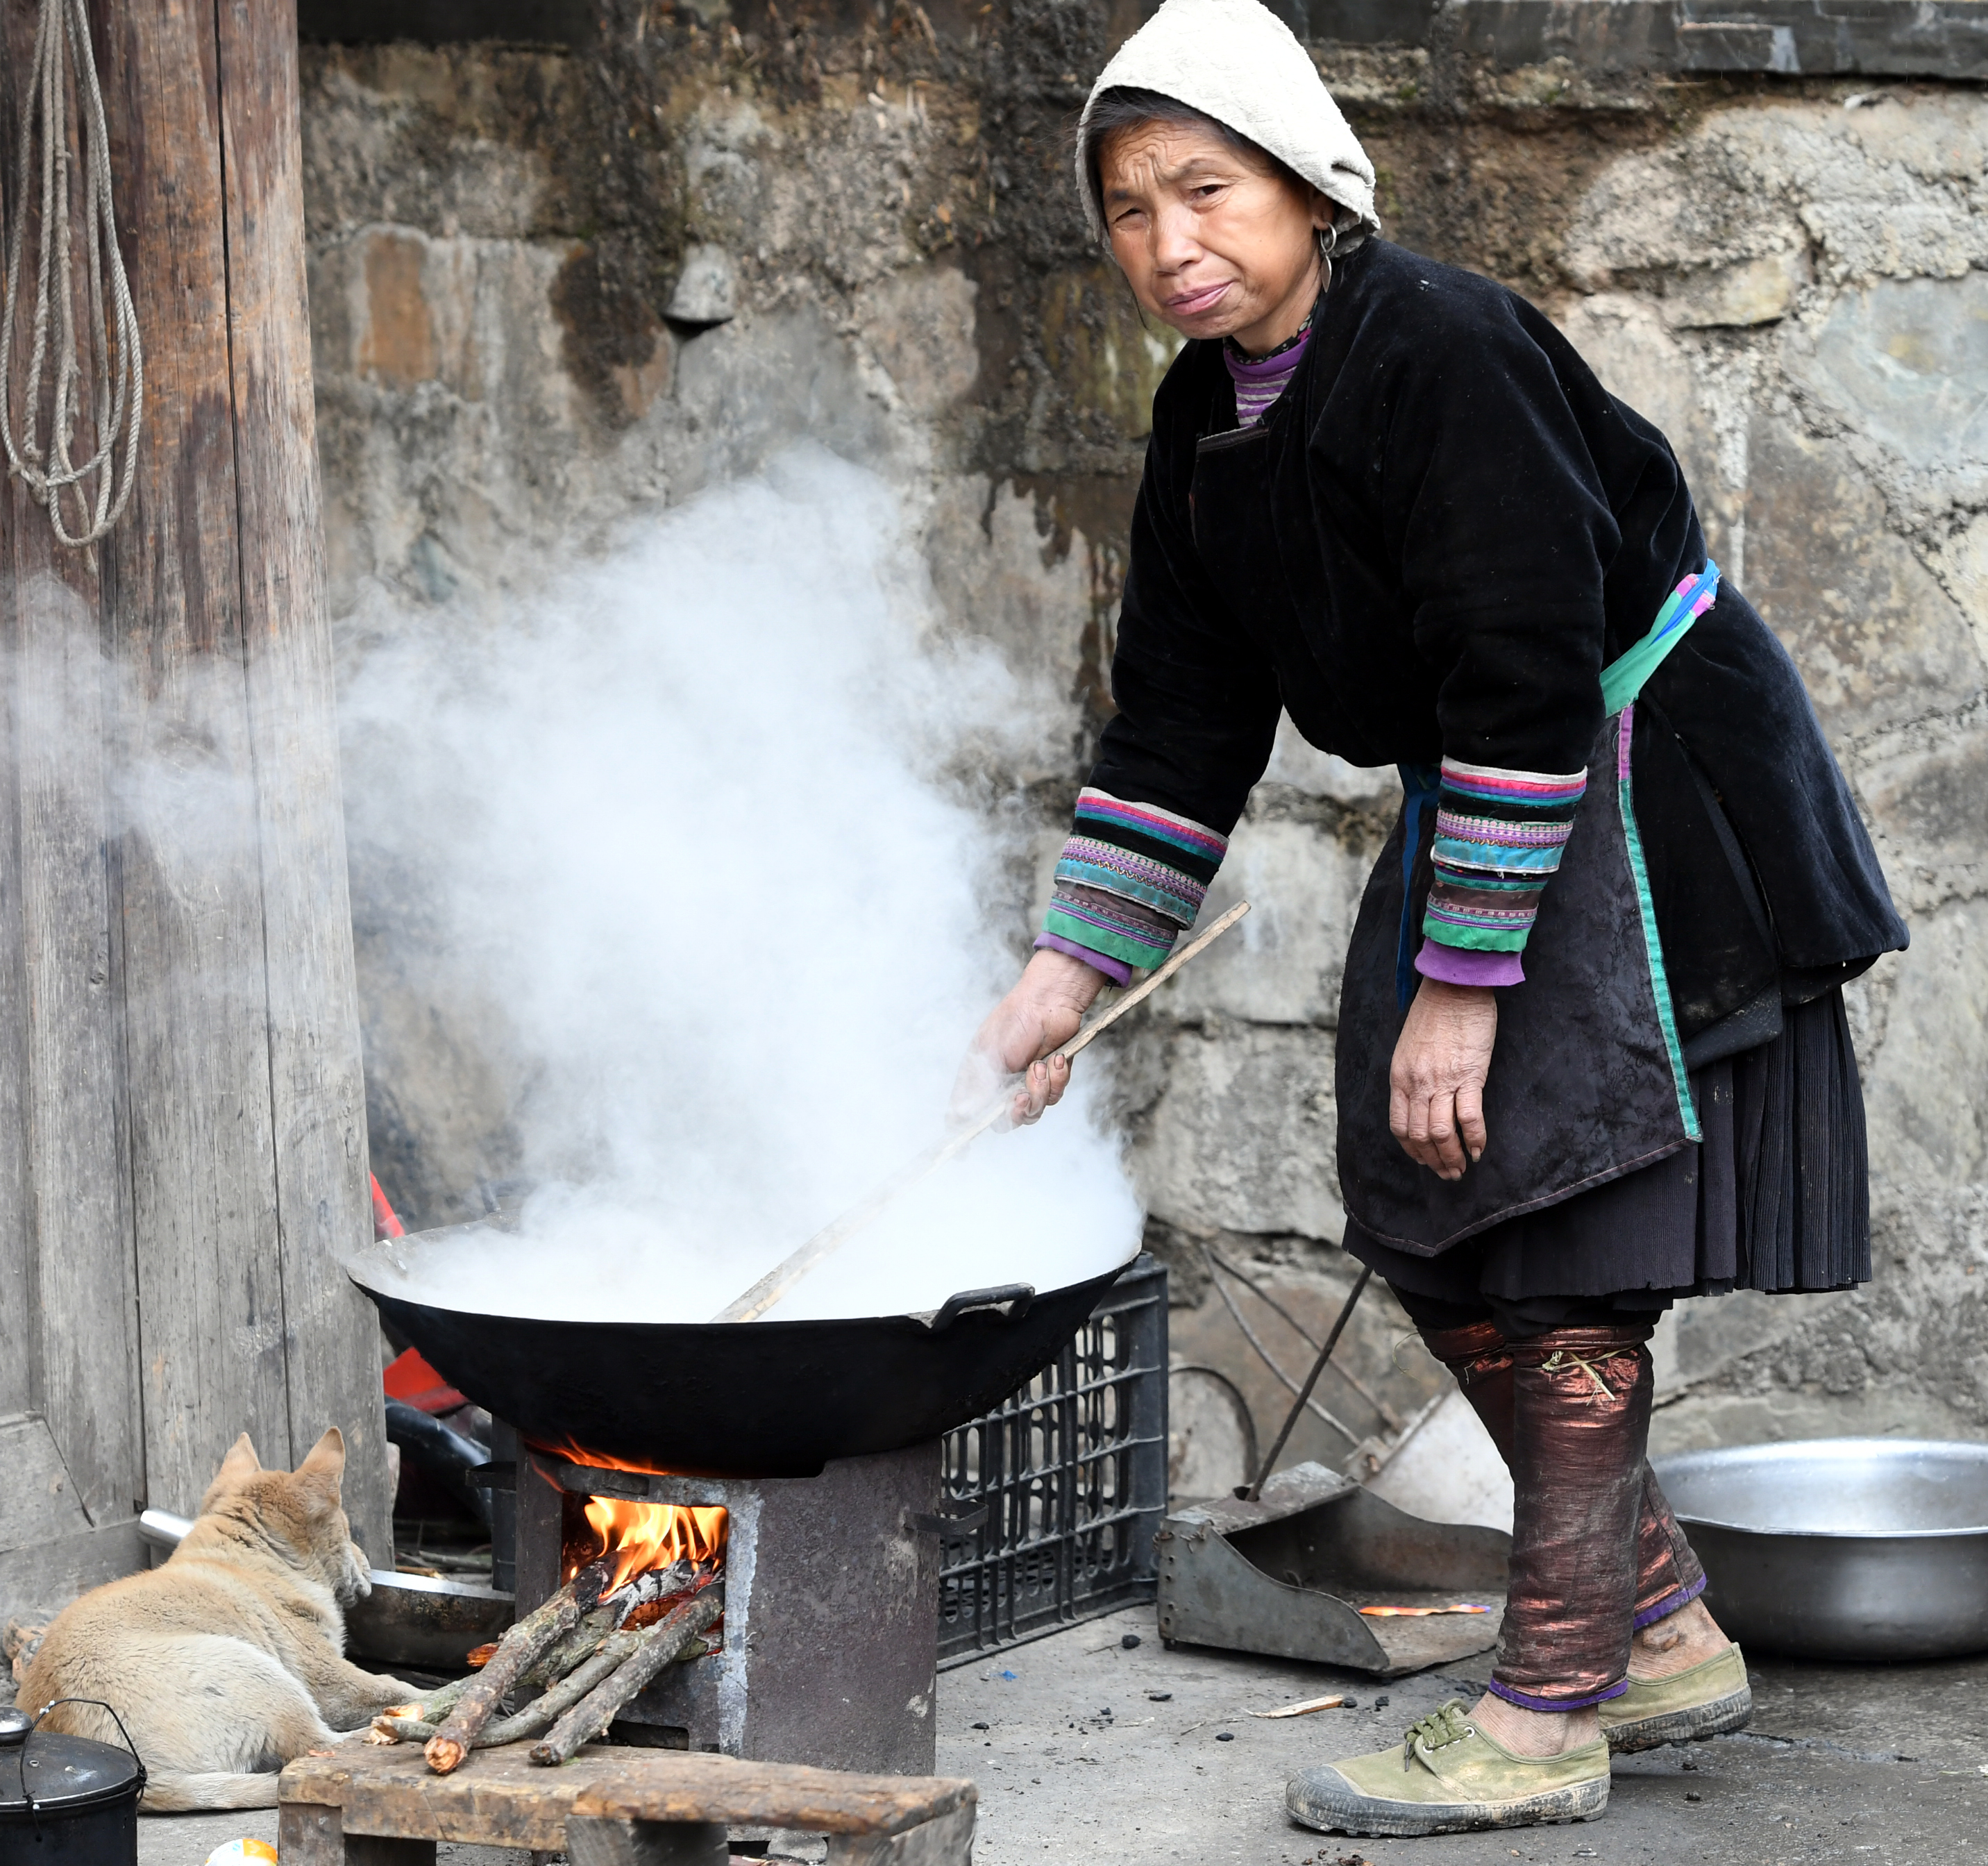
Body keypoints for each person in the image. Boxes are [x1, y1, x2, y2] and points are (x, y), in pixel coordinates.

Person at [960, 0, 1907, 1840]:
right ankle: (1657, 1625)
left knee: (1549, 1225)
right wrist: (1067, 972)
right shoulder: (1203, 426)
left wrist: (1464, 995)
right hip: (1508, 783)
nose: (1173, 245)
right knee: (1423, 1205)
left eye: (1207, 192)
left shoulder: (1440, 349)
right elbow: (1177, 728)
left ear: (1312, 185)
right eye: (1132, 212)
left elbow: (1527, 672)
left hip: (1638, 785)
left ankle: (1547, 1715)